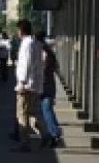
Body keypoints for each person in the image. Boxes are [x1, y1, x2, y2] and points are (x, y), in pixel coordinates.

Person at [12, 20, 47, 152]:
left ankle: (25, 143)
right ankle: (45, 134)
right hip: (35, 85)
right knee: (31, 113)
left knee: (22, 114)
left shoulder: (26, 44)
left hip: (26, 85)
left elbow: (26, 64)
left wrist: (22, 82)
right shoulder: (36, 43)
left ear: (21, 30)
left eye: (18, 30)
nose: (17, 33)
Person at [37, 30, 64, 148]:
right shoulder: (47, 50)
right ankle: (55, 132)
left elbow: (44, 68)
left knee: (46, 110)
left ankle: (54, 134)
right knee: (47, 110)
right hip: (49, 84)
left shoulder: (43, 51)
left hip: (45, 85)